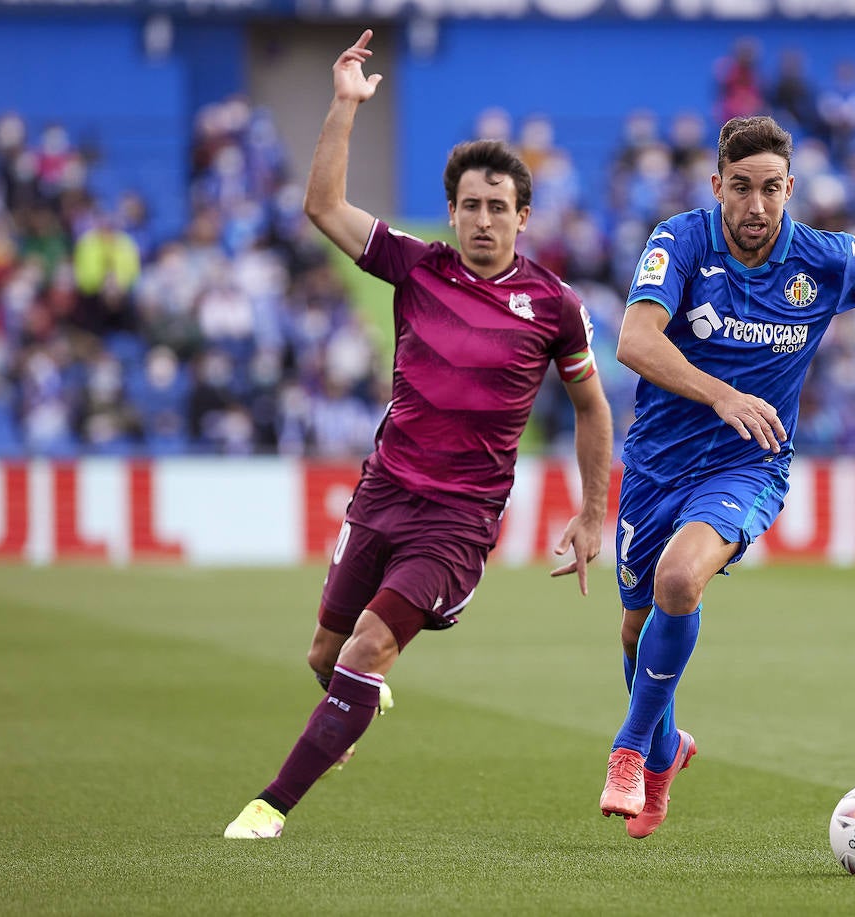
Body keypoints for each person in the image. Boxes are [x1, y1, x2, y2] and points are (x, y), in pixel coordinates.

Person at [224, 30, 613, 839]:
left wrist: (592, 510)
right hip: (384, 491)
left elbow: (591, 407)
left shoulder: (554, 306)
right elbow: (324, 208)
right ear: (452, 212)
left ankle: (270, 807)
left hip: (457, 519)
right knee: (325, 657)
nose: (482, 220)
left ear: (523, 216)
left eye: (497, 207)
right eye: (469, 205)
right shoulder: (417, 266)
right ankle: (355, 700)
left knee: (366, 648)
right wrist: (343, 104)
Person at [598, 115, 855, 838]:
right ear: (717, 186)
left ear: (790, 189)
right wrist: (720, 392)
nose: (756, 205)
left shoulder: (825, 260)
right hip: (657, 462)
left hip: (749, 463)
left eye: (771, 189)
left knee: (679, 582)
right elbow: (633, 340)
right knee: (633, 626)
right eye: (741, 188)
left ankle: (630, 753)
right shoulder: (680, 240)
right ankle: (666, 747)